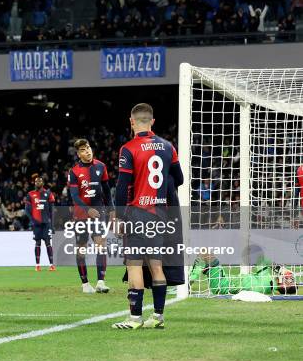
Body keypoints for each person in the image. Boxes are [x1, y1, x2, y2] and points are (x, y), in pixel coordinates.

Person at [112, 103, 183, 329]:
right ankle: (158, 317)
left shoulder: (128, 148)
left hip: (137, 214)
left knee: (134, 265)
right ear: (152, 121)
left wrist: (119, 217)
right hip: (160, 214)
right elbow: (178, 178)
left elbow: (122, 187)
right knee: (156, 265)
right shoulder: (168, 147)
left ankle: (134, 318)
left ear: (131, 121)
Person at [68, 138, 114, 293]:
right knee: (81, 248)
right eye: (82, 150)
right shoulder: (74, 171)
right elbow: (74, 196)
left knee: (101, 244)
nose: (87, 151)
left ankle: (101, 282)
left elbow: (107, 191)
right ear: (78, 154)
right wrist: (87, 210)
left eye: (87, 148)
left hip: (98, 213)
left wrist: (112, 209)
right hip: (81, 215)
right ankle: (85, 284)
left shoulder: (101, 166)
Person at [189, 255, 297, 295]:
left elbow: (261, 259)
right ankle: (191, 279)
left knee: (205, 254)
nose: (286, 277)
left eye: (287, 279)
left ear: (283, 285)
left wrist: (280, 269)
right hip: (223, 284)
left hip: (221, 284)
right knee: (207, 262)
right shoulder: (268, 289)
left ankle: (187, 284)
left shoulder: (266, 280)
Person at [25, 176, 56, 272]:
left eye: (40, 181)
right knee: (37, 243)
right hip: (36, 224)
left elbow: (52, 210)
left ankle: (51, 265)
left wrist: (52, 224)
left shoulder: (48, 194)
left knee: (48, 243)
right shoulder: (30, 194)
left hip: (46, 223)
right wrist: (32, 220)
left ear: (43, 183)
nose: (38, 183)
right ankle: (37, 265)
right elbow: (27, 210)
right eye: (36, 181)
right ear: (34, 183)